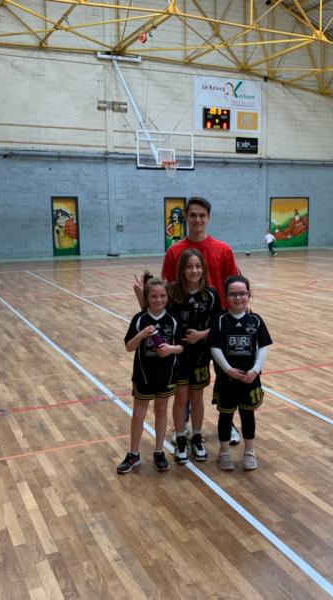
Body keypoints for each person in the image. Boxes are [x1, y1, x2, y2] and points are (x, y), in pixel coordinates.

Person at [134, 196, 242, 444]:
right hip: (184, 331)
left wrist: (238, 317)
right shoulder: (174, 251)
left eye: (202, 215)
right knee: (184, 386)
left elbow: (233, 287)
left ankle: (228, 423)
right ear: (186, 217)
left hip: (216, 326)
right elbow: (164, 292)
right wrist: (144, 301)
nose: (197, 220)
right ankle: (182, 426)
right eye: (193, 215)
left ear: (208, 218)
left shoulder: (223, 249)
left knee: (226, 378)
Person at [117, 274, 184, 474]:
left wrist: (170, 349)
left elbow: (182, 346)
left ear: (167, 297)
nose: (158, 300)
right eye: (154, 296)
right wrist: (141, 334)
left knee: (161, 411)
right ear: (147, 297)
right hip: (143, 375)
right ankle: (133, 454)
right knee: (138, 414)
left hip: (166, 375)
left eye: (162, 296)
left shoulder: (173, 319)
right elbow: (129, 347)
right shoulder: (140, 319)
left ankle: (159, 451)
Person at [208, 275, 273, 471]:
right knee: (225, 416)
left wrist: (255, 370)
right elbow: (214, 347)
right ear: (226, 297)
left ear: (249, 295)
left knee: (247, 414)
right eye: (233, 294)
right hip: (227, 380)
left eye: (242, 293)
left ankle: (250, 451)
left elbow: (263, 347)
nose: (238, 298)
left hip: (249, 379)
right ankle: (224, 452)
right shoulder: (220, 320)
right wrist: (228, 369)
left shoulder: (255, 320)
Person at [167, 248, 220, 464]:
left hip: (200, 356)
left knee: (197, 398)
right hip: (178, 356)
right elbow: (159, 318)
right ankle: (181, 439)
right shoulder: (172, 293)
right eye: (189, 266)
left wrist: (200, 335)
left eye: (198, 266)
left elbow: (218, 325)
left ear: (203, 269)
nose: (194, 270)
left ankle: (197, 438)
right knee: (181, 398)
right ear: (182, 269)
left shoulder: (211, 295)